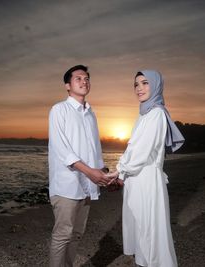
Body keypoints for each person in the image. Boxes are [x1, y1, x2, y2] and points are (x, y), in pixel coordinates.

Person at [107, 70, 185, 267]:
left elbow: (142, 151)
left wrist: (119, 170)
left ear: (156, 85)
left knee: (149, 231)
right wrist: (122, 171)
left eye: (145, 83)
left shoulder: (157, 113)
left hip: (147, 179)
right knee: (141, 230)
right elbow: (132, 146)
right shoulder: (144, 114)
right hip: (136, 179)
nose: (139, 88)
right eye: (136, 84)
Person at [48, 65, 111, 267]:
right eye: (78, 79)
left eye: (87, 78)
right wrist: (90, 172)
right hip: (67, 185)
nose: (84, 81)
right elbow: (61, 148)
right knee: (62, 235)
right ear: (68, 85)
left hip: (87, 185)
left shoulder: (91, 113)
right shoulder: (59, 109)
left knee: (76, 234)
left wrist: (104, 174)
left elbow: (94, 149)